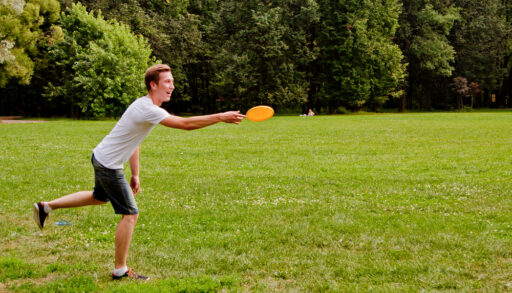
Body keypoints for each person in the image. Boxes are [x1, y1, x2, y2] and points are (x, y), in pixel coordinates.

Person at [33, 64, 245, 280]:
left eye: (172, 81)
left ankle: (46, 207)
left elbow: (135, 141)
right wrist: (219, 116)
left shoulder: (146, 107)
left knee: (99, 198)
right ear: (153, 85)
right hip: (108, 164)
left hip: (102, 157)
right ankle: (120, 270)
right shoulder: (148, 108)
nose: (172, 86)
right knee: (130, 214)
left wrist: (135, 174)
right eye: (167, 82)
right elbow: (185, 124)